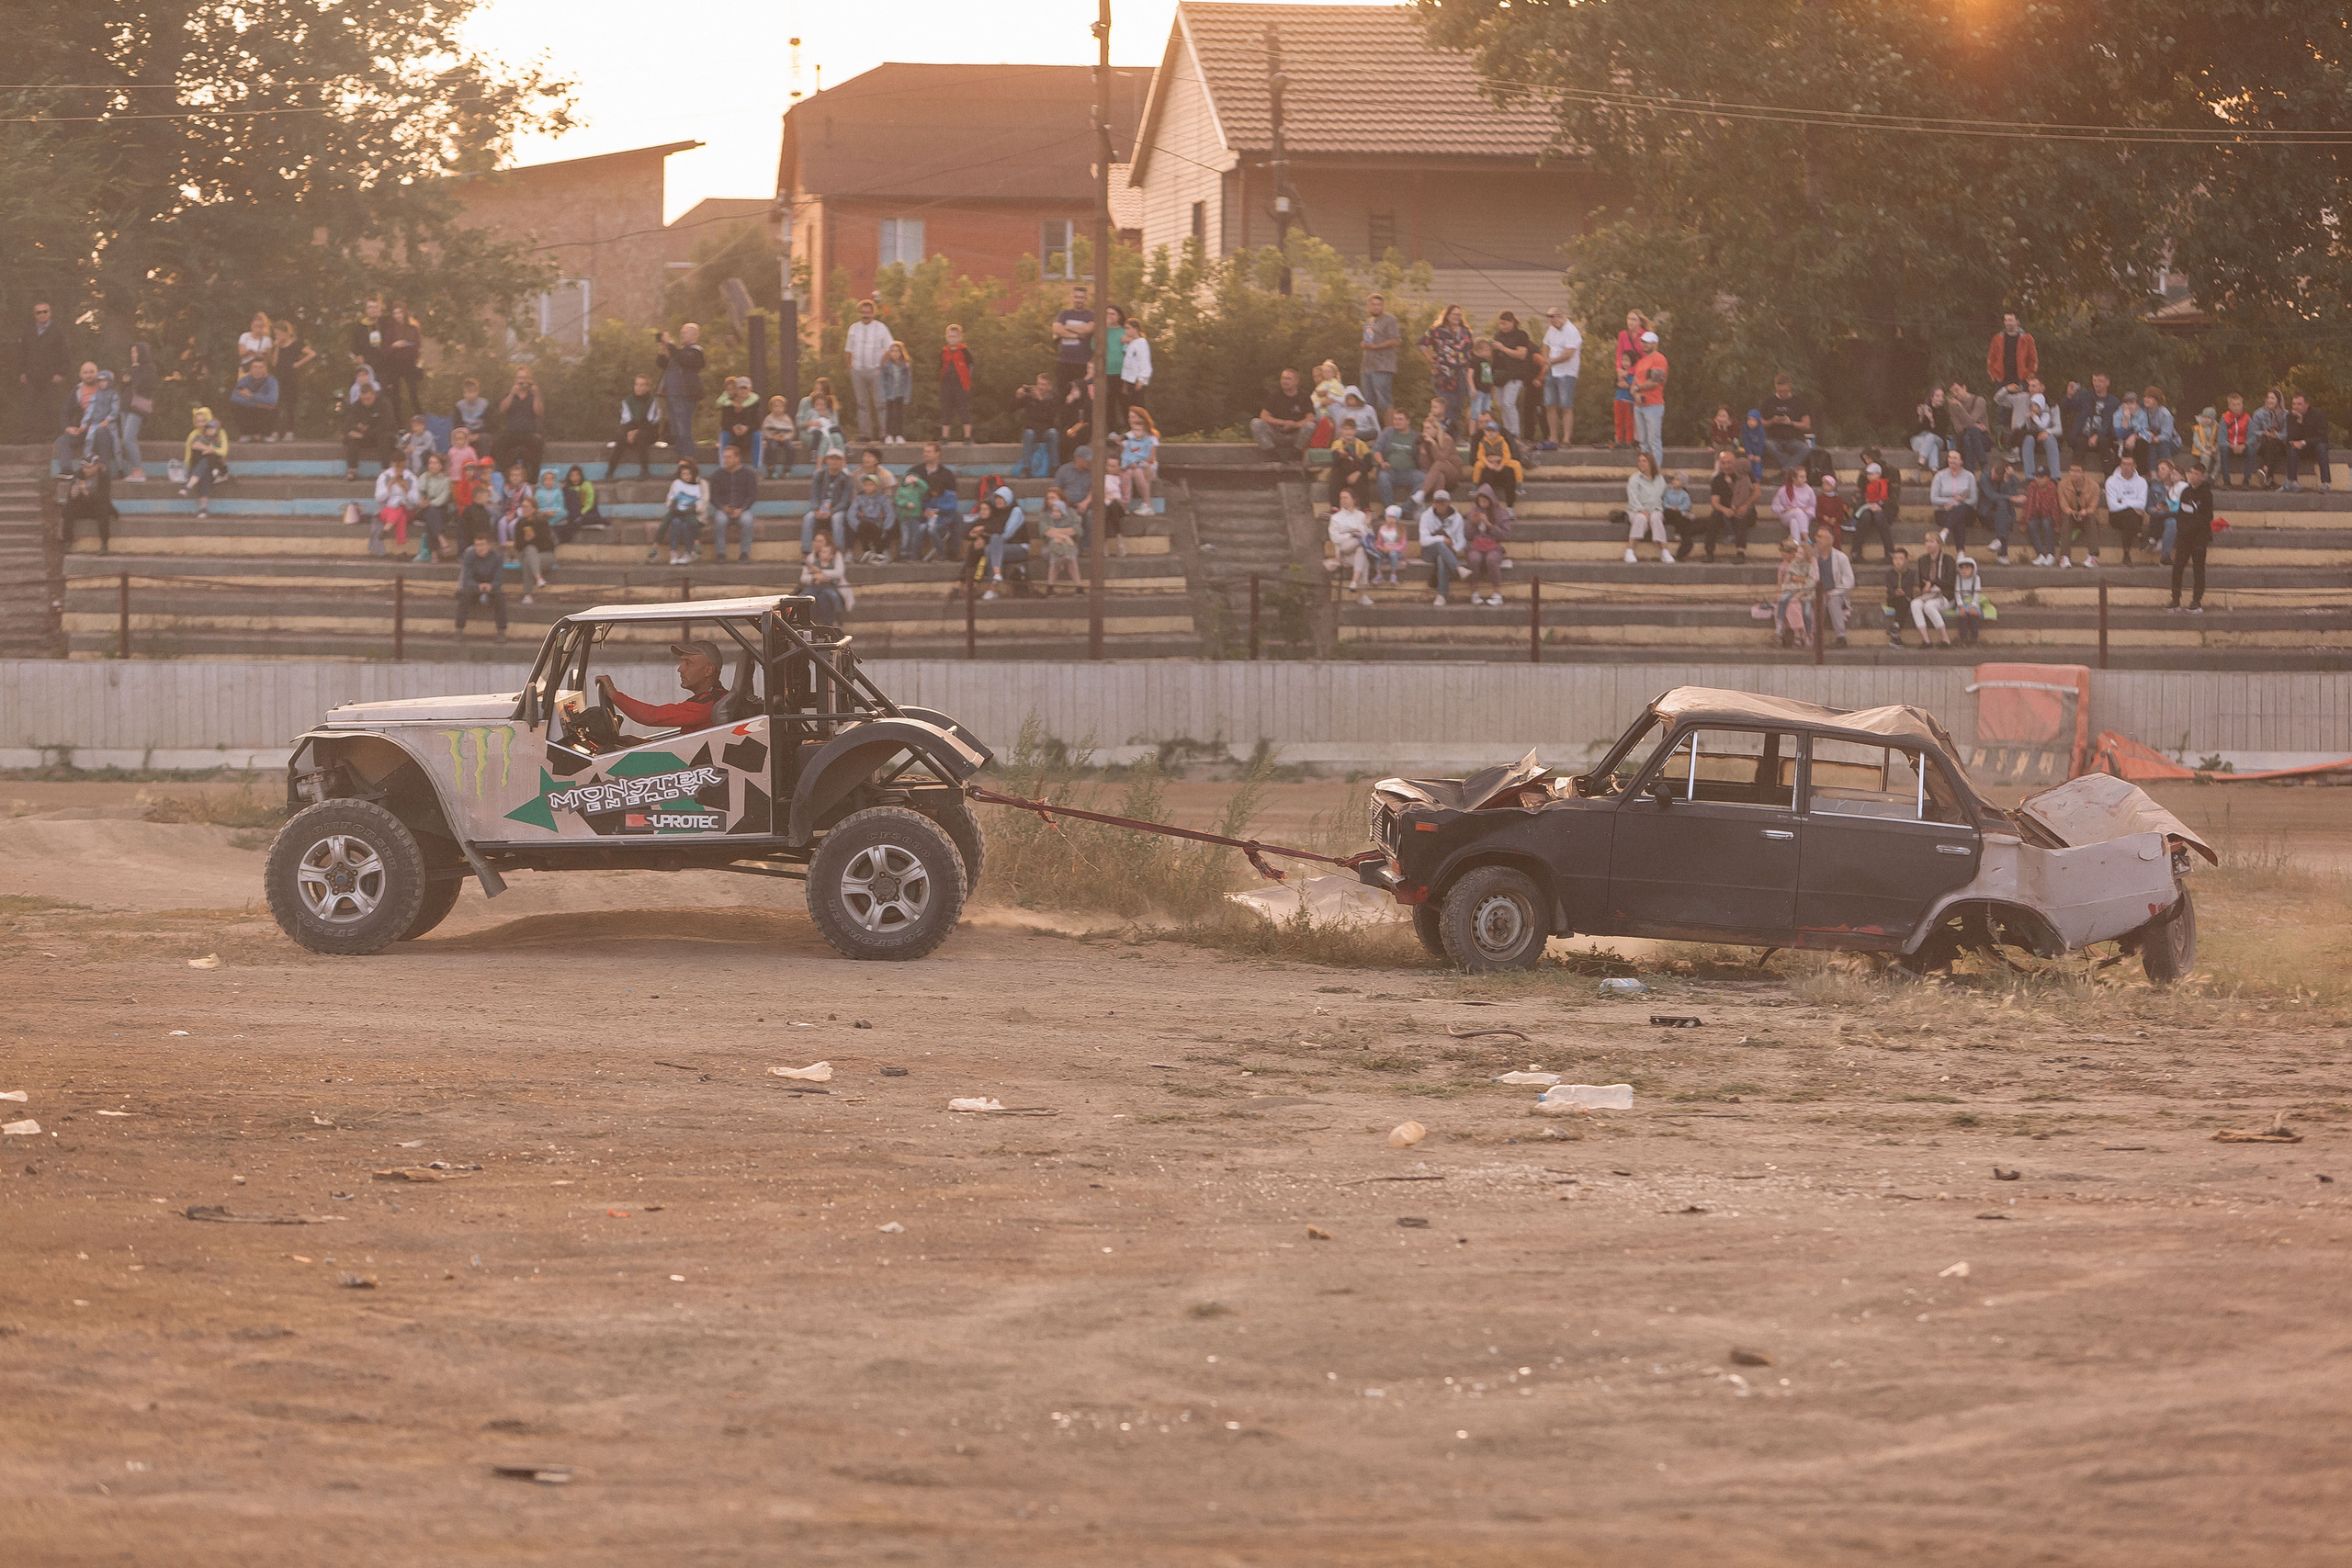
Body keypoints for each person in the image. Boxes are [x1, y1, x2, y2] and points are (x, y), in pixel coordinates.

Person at [595, 640, 727, 731]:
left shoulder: (707, 705)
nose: (680, 669)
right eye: (681, 662)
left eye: (688, 663)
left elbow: (651, 716)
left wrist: (613, 693)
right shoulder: (716, 698)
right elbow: (684, 746)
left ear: (708, 670)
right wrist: (640, 743)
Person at [18, 301, 72, 442]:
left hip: (51, 377)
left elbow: (65, 353)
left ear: (50, 313)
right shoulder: (29, 332)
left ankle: (52, 437)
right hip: (31, 376)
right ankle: (25, 437)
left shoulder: (58, 331)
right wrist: (22, 372)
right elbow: (23, 353)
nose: (42, 314)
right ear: (34, 315)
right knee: (27, 406)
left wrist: (61, 373)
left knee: (51, 407)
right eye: (38, 312)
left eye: (45, 311)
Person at [1418, 305, 1476, 434]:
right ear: (1448, 315)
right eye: (1454, 314)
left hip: (1462, 373)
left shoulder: (1465, 332)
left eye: (1459, 315)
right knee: (1447, 404)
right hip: (1443, 373)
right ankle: (1448, 435)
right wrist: (1430, 358)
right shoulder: (1437, 331)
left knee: (1458, 405)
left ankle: (1452, 434)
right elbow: (1421, 343)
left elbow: (1471, 351)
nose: (1457, 317)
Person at [54, 362, 119, 475]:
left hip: (103, 430)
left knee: (101, 432)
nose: (88, 375)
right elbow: (65, 412)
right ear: (80, 375)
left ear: (97, 373)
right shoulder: (77, 391)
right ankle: (67, 471)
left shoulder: (105, 387)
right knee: (62, 440)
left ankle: (104, 471)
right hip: (83, 431)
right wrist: (68, 427)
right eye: (85, 372)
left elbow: (116, 410)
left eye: (92, 372)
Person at [2169, 459, 2215, 613]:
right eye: (2192, 473)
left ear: (2202, 476)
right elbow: (2181, 514)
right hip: (2184, 538)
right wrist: (2182, 531)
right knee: (2178, 567)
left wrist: (2194, 530)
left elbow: (2206, 517)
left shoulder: (2206, 495)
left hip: (2199, 539)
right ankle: (2175, 599)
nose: (2193, 476)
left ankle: (2196, 600)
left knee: (2198, 569)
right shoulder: (2186, 492)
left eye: (2196, 474)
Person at [655, 325, 706, 459]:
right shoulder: (678, 352)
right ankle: (682, 463)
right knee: (675, 433)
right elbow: (663, 365)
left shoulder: (696, 351)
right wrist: (662, 351)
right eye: (681, 332)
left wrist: (670, 343)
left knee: (684, 433)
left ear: (694, 335)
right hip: (671, 396)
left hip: (684, 397)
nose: (681, 335)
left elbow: (684, 360)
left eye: (685, 332)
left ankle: (690, 462)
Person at [602, 373, 662, 479]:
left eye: (641, 385)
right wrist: (630, 432)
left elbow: (651, 421)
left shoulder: (653, 402)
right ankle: (610, 472)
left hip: (649, 432)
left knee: (641, 437)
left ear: (648, 388)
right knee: (621, 440)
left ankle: (645, 471)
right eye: (636, 384)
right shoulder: (627, 401)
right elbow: (626, 420)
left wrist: (636, 432)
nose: (638, 387)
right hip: (631, 431)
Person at [1539, 305, 1582, 451]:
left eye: (1554, 320)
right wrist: (1546, 360)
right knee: (1549, 404)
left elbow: (1569, 353)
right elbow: (1545, 345)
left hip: (1567, 372)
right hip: (1552, 371)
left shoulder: (1571, 331)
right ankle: (1553, 436)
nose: (1552, 323)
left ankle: (1566, 438)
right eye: (1550, 321)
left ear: (1561, 317)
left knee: (1566, 406)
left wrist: (1552, 361)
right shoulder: (1551, 330)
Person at [1488, 311, 1537, 439]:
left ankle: (1515, 433)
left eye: (1505, 323)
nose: (1502, 326)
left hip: (1515, 374)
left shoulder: (1521, 335)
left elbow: (1522, 355)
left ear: (1512, 322)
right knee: (1502, 405)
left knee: (1508, 403)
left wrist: (1503, 348)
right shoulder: (1498, 335)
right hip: (1500, 374)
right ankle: (1507, 431)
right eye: (1500, 324)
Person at [1463, 485, 1512, 607]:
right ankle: (1474, 592)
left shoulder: (1501, 513)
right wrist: (1473, 524)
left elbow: (1504, 535)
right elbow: (1467, 535)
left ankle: (1497, 594)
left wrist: (1490, 525)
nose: (1482, 503)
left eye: (1485, 501)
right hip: (1476, 545)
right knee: (1474, 559)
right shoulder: (1474, 512)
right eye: (1480, 501)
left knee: (1491, 559)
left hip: (1494, 546)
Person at [708, 444, 759, 565]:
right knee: (720, 520)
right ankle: (721, 554)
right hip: (724, 509)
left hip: (742, 509)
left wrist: (742, 509)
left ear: (737, 458)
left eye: (729, 457)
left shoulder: (748, 474)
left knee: (747, 521)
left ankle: (744, 553)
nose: (725, 460)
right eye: (724, 457)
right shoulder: (717, 475)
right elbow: (713, 496)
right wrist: (722, 507)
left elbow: (752, 495)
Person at [1705, 448, 1757, 564]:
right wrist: (1725, 510)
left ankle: (1740, 553)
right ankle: (1709, 552)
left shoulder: (1745, 474)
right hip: (1727, 513)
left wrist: (1745, 506)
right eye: (1723, 463)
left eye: (1729, 463)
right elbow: (1714, 502)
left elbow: (1757, 493)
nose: (1726, 466)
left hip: (1746, 510)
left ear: (1735, 463)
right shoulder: (1717, 480)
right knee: (1714, 516)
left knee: (1740, 515)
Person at [494, 366, 546, 479]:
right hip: (511, 432)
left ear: (529, 379)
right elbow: (502, 410)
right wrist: (512, 394)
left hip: (529, 433)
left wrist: (536, 394)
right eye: (519, 378)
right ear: (515, 379)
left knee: (539, 443)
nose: (522, 381)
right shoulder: (508, 394)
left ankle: (533, 479)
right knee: (498, 442)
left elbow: (539, 412)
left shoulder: (534, 395)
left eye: (524, 378)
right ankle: (503, 476)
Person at [454, 533, 508, 641]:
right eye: (477, 545)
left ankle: (501, 631)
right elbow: (467, 579)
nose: (480, 548)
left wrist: (491, 586)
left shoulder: (497, 557)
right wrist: (478, 586)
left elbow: (499, 579)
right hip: (474, 588)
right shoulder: (469, 556)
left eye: (482, 545)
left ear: (489, 546)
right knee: (464, 595)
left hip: (491, 588)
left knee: (500, 596)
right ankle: (459, 630)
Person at [1251, 368, 1313, 463]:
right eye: (1283, 378)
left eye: (1288, 379)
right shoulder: (1274, 395)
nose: (1285, 381)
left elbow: (1310, 417)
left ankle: (1296, 454)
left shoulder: (1304, 396)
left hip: (1296, 435)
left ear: (1296, 381)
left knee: (1310, 426)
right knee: (1256, 423)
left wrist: (1295, 425)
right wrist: (1281, 422)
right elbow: (1264, 416)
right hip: (1277, 433)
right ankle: (1271, 454)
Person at [1419, 490, 1468, 606]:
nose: (1440, 505)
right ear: (1434, 503)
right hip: (1429, 551)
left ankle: (1441, 596)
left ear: (1448, 503)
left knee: (1442, 558)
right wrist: (1442, 539)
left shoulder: (1457, 517)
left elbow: (1461, 539)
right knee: (1441, 545)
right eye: (1437, 502)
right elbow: (1423, 540)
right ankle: (1457, 568)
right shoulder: (1426, 516)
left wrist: (1455, 548)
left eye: (1443, 502)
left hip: (1449, 551)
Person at [978, 486, 1029, 598]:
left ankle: (993, 586)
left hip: (1020, 548)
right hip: (1002, 548)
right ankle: (995, 582)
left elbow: (1007, 534)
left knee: (995, 540)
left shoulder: (1016, 511)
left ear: (1008, 498)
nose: (998, 501)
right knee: (989, 548)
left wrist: (988, 532)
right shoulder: (997, 512)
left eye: (1001, 498)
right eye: (996, 498)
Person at [1049, 284, 1094, 406]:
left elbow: (1088, 329)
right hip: (1064, 361)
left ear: (1086, 299)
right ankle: (1064, 418)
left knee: (1081, 395)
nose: (1078, 300)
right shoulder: (1064, 314)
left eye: (1081, 297)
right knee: (1062, 395)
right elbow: (1056, 329)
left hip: (1082, 362)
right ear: (1072, 298)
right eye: (1076, 297)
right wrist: (1078, 335)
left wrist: (1067, 327)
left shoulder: (1090, 315)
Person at [268, 321, 312, 443]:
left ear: (286, 333)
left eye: (279, 334)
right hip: (278, 378)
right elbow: (274, 363)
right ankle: (275, 431)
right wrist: (277, 346)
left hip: (291, 378)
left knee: (290, 405)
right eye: (276, 334)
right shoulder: (277, 347)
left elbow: (311, 354)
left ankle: (290, 431)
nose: (277, 336)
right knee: (275, 404)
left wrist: (298, 363)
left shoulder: (296, 344)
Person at [1624, 451, 1672, 564]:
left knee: (1656, 518)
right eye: (1639, 461)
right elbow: (1632, 499)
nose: (1641, 463)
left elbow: (1663, 496)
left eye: (1644, 461)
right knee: (1641, 518)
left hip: (1655, 509)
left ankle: (1664, 551)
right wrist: (1643, 511)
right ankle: (1629, 550)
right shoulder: (1634, 479)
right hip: (1636, 510)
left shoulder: (1659, 478)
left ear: (1651, 463)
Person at [1759, 374, 1813, 476]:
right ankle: (1789, 470)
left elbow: (1807, 425)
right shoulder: (1768, 402)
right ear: (1775, 386)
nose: (1782, 393)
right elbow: (1760, 423)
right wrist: (1772, 421)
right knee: (1768, 445)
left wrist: (1791, 422)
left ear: (1789, 386)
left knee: (1805, 448)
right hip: (1773, 439)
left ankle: (1786, 471)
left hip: (1792, 440)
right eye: (1779, 391)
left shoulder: (1798, 402)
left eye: (1784, 391)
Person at [1912, 530, 1958, 646]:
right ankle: (1926, 640)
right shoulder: (1922, 560)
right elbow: (1922, 583)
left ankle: (1945, 638)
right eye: (1926, 541)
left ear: (1939, 543)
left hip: (1946, 595)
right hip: (1930, 594)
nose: (1928, 544)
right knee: (1915, 604)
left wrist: (1933, 582)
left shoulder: (1948, 560)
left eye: (1931, 541)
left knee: (1929, 606)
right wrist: (1925, 589)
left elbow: (1951, 583)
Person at [1328, 487, 1373, 604]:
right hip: (1344, 551)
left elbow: (1370, 537)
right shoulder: (1336, 518)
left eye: (1345, 498)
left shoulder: (1361, 515)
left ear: (1353, 499)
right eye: (1341, 498)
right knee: (1360, 542)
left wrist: (1368, 525)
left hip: (1356, 554)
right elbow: (1335, 537)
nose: (1343, 500)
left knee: (1362, 554)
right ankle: (1362, 594)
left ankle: (1356, 584)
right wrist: (1352, 535)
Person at [1629, 329, 1668, 466]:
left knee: (1654, 441)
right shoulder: (1641, 361)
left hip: (1653, 405)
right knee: (1643, 442)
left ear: (1655, 344)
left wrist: (1637, 389)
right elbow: (1634, 382)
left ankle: (1655, 470)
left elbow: (1655, 382)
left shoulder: (1659, 359)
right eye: (1643, 342)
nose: (1644, 344)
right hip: (1639, 405)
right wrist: (1636, 393)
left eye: (1648, 342)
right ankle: (1645, 469)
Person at [1359, 294, 1401, 417]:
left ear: (1383, 306)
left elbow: (1395, 340)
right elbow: (1369, 340)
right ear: (1368, 306)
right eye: (1373, 304)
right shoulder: (1369, 321)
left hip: (1382, 366)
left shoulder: (1390, 319)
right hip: (1367, 366)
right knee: (1368, 402)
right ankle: (1373, 428)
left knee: (1384, 401)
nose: (1376, 307)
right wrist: (1364, 344)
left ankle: (1389, 428)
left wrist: (1376, 347)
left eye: (1379, 305)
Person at [2103, 452, 2148, 567]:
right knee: (2131, 514)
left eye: (2129, 464)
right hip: (2116, 516)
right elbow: (2112, 506)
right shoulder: (2111, 481)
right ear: (2120, 465)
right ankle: (2140, 535)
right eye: (2124, 464)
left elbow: (2142, 504)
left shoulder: (2141, 482)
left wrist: (2123, 501)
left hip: (2135, 517)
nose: (2126, 467)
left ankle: (2126, 554)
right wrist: (2132, 505)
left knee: (2130, 516)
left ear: (2134, 466)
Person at [181, 406, 228, 517]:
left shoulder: (219, 432)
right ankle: (203, 508)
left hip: (215, 466)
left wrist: (211, 449)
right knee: (204, 470)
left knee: (207, 461)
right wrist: (205, 448)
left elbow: (223, 451)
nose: (201, 424)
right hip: (197, 467)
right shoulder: (194, 434)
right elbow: (189, 455)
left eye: (204, 421)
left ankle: (189, 486)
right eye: (198, 421)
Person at [63, 456, 116, 554]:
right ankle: (68, 543)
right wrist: (73, 495)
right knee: (68, 508)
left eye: (88, 467)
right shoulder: (78, 474)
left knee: (104, 509)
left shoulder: (104, 475)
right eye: (84, 467)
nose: (85, 470)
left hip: (98, 506)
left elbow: (104, 497)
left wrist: (86, 493)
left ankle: (104, 544)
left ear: (96, 466)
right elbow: (69, 498)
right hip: (84, 506)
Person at [1611, 310, 1648, 449]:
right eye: (1629, 319)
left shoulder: (1645, 336)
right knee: (1620, 407)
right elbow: (1619, 353)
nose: (1630, 322)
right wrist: (1620, 371)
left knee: (1634, 409)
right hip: (1624, 372)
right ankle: (1620, 439)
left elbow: (1645, 358)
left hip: (1638, 374)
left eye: (1634, 319)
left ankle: (1634, 439)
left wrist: (1632, 373)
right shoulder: (1623, 335)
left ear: (1640, 322)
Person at [2057, 458, 2104, 567]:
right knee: (2066, 518)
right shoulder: (2062, 485)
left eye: (2077, 471)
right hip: (2071, 515)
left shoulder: (2093, 486)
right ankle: (2064, 557)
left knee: (2091, 519)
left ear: (2083, 473)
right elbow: (2063, 504)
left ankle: (2093, 557)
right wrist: (2072, 512)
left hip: (2087, 515)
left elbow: (2093, 506)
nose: (2074, 473)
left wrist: (2085, 511)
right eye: (2072, 470)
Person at [380, 301, 423, 421]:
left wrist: (407, 346)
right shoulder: (390, 329)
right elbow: (384, 350)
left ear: (404, 313)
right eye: (395, 313)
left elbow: (417, 347)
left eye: (400, 312)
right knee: (395, 395)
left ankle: (420, 420)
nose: (397, 315)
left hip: (409, 363)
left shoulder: (413, 327)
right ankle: (398, 423)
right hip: (394, 364)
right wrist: (394, 345)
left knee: (413, 393)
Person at [1815, 525, 1855, 647]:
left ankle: (1841, 637)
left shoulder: (1841, 557)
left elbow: (1849, 581)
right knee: (1818, 602)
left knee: (1833, 601)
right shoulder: (1812, 556)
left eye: (1821, 536)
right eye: (1817, 536)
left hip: (1836, 592)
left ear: (1830, 540)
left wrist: (1832, 592)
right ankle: (1815, 636)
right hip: (1816, 592)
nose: (1817, 539)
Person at [662, 458, 707, 565]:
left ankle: (688, 553)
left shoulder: (702, 483)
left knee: (687, 525)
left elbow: (704, 502)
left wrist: (689, 509)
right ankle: (673, 552)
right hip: (678, 513)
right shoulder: (677, 483)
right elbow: (669, 499)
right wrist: (676, 507)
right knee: (675, 522)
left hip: (695, 515)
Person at [341, 383, 391, 481]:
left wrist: (365, 434)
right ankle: (352, 471)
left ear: (374, 395)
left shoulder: (384, 404)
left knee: (385, 437)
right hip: (362, 437)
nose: (365, 402)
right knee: (351, 438)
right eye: (363, 399)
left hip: (378, 435)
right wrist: (356, 427)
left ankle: (385, 471)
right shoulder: (356, 406)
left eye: (368, 399)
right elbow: (348, 424)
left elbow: (386, 425)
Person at [1374, 407, 1421, 510]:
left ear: (1408, 421)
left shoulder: (1415, 436)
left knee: (1424, 478)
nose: (1396, 422)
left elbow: (1420, 456)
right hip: (1390, 471)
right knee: (1382, 477)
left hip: (1409, 473)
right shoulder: (1387, 433)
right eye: (1395, 419)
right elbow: (1377, 450)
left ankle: (1406, 509)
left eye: (1400, 419)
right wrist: (1382, 462)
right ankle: (1390, 509)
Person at [2072, 373, 2120, 472]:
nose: (2096, 383)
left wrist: (2097, 435)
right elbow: (2068, 407)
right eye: (2094, 380)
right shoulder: (2085, 396)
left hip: (2103, 435)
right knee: (2080, 442)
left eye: (2100, 381)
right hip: (2084, 434)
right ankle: (2076, 474)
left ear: (2107, 383)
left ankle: (2108, 476)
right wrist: (2069, 396)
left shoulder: (2113, 402)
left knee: (2104, 442)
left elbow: (2108, 423)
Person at [1015, 372, 1061, 478]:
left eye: (1043, 385)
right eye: (1039, 384)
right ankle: (1026, 469)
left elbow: (1050, 416)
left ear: (1050, 386)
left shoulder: (1054, 399)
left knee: (1053, 433)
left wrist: (1041, 400)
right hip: (1032, 430)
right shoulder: (1030, 397)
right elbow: (1011, 408)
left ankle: (1054, 468)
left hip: (1046, 431)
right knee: (1028, 433)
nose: (1040, 387)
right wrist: (1018, 396)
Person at [1470, 417, 1522, 508]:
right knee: (1484, 471)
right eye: (1481, 422)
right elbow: (1474, 458)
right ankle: (1483, 504)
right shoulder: (1478, 438)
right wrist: (1488, 462)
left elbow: (1514, 455)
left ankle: (1511, 506)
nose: (1483, 424)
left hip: (1503, 467)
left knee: (1510, 472)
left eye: (1486, 421)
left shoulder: (1504, 435)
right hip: (1487, 468)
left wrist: (1499, 460)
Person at [372, 451, 418, 555]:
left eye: (402, 466)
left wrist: (405, 488)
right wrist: (390, 485)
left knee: (400, 508)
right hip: (386, 511)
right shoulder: (384, 476)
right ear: (393, 464)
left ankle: (387, 528)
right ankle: (402, 551)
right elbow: (379, 498)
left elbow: (415, 501)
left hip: (407, 510)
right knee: (399, 512)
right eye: (397, 466)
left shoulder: (411, 477)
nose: (400, 469)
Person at [1773, 538, 1816, 648]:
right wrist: (1782, 591)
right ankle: (1781, 628)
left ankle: (1805, 635)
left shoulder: (1810, 564)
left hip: (1806, 593)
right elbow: (1785, 581)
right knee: (1783, 601)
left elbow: (1811, 581)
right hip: (1791, 590)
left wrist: (1798, 580)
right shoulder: (1789, 565)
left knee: (1802, 610)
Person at [801, 532, 853, 621]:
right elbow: (803, 578)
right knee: (809, 598)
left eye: (820, 541)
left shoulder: (836, 555)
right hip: (815, 586)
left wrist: (821, 572)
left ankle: (832, 621)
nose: (817, 544)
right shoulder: (811, 557)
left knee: (825, 597)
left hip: (834, 587)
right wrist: (815, 577)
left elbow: (839, 573)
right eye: (816, 541)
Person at [1930, 449, 1978, 547]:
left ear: (1961, 461)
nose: (1951, 460)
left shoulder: (1969, 476)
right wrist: (1952, 501)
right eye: (1950, 457)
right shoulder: (1940, 475)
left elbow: (1974, 500)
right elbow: (1934, 499)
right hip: (1944, 511)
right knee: (1958, 519)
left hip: (1965, 512)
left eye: (1955, 458)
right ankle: (1961, 552)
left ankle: (1945, 531)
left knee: (1960, 511)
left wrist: (1957, 503)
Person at [513, 497, 556, 603]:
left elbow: (548, 545)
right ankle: (539, 578)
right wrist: (526, 540)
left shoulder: (541, 522)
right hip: (525, 553)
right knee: (529, 549)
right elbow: (518, 546)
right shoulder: (520, 524)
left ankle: (527, 595)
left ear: (533, 509)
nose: (523, 509)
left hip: (544, 555)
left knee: (528, 561)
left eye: (526, 507)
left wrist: (534, 538)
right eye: (522, 507)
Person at [413, 451, 454, 561]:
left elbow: (443, 498)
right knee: (430, 512)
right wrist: (421, 502)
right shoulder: (423, 477)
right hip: (424, 508)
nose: (432, 465)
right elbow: (419, 493)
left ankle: (434, 553)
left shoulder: (446, 480)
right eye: (430, 463)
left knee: (431, 515)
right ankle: (441, 539)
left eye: (435, 463)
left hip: (441, 509)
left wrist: (429, 503)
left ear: (441, 466)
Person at [937, 322, 976, 441]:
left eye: (954, 336)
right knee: (946, 410)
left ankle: (967, 436)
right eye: (950, 336)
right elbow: (940, 367)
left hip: (961, 385)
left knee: (963, 409)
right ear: (946, 337)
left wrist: (968, 381)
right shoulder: (944, 352)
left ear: (960, 338)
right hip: (946, 384)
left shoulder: (964, 351)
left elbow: (971, 365)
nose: (952, 339)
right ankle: (945, 436)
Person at [2285, 393, 2331, 491]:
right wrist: (2298, 422)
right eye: (2294, 404)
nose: (2296, 407)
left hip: (2313, 446)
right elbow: (2290, 437)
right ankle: (2293, 482)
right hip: (2299, 448)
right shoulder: (2290, 416)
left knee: (2322, 447)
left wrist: (2304, 442)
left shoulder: (2318, 414)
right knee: (2292, 448)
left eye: (2299, 404)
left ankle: (2325, 483)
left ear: (2306, 405)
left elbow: (2322, 437)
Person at [1978, 458, 2021, 560]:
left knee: (2003, 509)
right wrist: (2010, 497)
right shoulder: (1984, 476)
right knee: (2003, 512)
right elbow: (1991, 495)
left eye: (1996, 477)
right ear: (1993, 468)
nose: (1993, 477)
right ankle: (2003, 554)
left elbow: (2012, 492)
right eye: (1993, 473)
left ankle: (1999, 541)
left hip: (2003, 513)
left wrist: (2007, 481)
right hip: (1987, 513)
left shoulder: (2010, 479)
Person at [713, 377, 761, 466]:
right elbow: (724, 423)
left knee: (757, 435)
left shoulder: (754, 404)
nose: (743, 391)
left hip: (748, 434)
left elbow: (757, 423)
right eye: (740, 388)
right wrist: (733, 427)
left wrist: (747, 428)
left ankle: (757, 467)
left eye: (745, 388)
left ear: (750, 389)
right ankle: (724, 466)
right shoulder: (728, 404)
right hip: (733, 434)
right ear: (736, 390)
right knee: (724, 435)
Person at [228, 358, 278, 441]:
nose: (258, 370)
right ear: (250, 369)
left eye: (261, 367)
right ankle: (247, 433)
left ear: (265, 369)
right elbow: (234, 397)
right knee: (235, 406)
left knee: (273, 408)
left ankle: (266, 434)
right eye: (255, 367)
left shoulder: (272, 381)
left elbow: (272, 400)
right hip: (252, 409)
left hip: (264, 412)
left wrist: (251, 395)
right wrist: (257, 404)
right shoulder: (244, 380)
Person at [847, 472, 893, 563]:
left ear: (876, 486)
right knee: (863, 526)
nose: (868, 487)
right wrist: (856, 525)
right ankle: (867, 551)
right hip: (864, 524)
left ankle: (880, 552)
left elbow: (889, 512)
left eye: (871, 485)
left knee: (879, 530)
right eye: (866, 485)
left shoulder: (882, 498)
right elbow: (851, 512)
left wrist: (887, 526)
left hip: (877, 523)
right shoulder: (859, 498)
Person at [1852, 462, 1894, 562]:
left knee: (1879, 517)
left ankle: (1890, 552)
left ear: (1878, 474)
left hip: (1881, 509)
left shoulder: (1883, 484)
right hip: (1868, 508)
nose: (1869, 476)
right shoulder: (1865, 484)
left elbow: (1886, 498)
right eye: (1868, 474)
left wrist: (1880, 507)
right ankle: (1856, 552)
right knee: (1865, 517)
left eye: (1872, 474)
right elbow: (1861, 498)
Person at [1121, 407, 1159, 514]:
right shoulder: (1127, 436)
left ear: (1142, 418)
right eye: (1130, 417)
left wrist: (1137, 463)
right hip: (1131, 465)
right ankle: (1124, 505)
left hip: (1147, 465)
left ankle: (1148, 505)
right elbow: (1125, 455)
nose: (1131, 419)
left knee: (1138, 472)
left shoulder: (1151, 436)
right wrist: (1129, 464)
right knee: (1128, 473)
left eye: (1134, 417)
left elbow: (1151, 458)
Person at [1041, 493, 1082, 593]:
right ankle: (1050, 587)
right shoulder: (1045, 516)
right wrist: (1065, 536)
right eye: (1053, 511)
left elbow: (1076, 530)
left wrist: (1056, 532)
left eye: (1058, 511)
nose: (1055, 513)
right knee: (1054, 553)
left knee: (1071, 555)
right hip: (1051, 546)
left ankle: (1079, 587)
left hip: (1069, 546)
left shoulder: (1071, 514)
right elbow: (1046, 532)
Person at [1947, 379, 1989, 471]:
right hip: (1962, 439)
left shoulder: (1979, 401)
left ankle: (1969, 472)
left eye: (1956, 390)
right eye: (1952, 392)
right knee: (1970, 434)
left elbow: (1970, 421)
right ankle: (1983, 463)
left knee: (1970, 435)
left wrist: (1960, 407)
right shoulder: (1953, 405)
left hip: (1982, 438)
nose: (1955, 394)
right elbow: (1958, 429)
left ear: (1964, 387)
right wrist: (1974, 425)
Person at [2019, 468, 2059, 566]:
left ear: (2048, 478)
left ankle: (2050, 554)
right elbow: (2028, 505)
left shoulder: (2052, 488)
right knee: (2031, 524)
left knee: (2046, 523)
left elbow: (2055, 508)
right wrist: (2024, 522)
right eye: (2037, 477)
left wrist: (2057, 524)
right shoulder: (2032, 487)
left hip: (2049, 516)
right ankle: (2040, 554)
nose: (2038, 479)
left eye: (2041, 477)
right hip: (2037, 515)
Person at [1987, 311, 2037, 389]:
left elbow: (2033, 360)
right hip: (2001, 380)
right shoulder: (1997, 338)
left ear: (2017, 321)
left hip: (2021, 380)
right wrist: (1995, 377)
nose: (2007, 323)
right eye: (2005, 320)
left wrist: (2028, 376)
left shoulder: (2027, 338)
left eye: (2010, 320)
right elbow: (1991, 359)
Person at [1770, 466, 1817, 546]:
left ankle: (1796, 545)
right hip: (1787, 515)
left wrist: (1806, 510)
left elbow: (1813, 506)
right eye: (1801, 477)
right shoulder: (1784, 489)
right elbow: (1774, 506)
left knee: (1794, 522)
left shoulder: (1809, 490)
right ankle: (1806, 537)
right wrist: (1785, 509)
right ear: (1794, 478)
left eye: (1805, 476)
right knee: (1797, 511)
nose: (1805, 479)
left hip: (1805, 516)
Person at [879, 340, 913, 443]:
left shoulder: (905, 366)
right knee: (889, 415)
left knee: (899, 415)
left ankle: (899, 435)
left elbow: (908, 382)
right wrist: (883, 397)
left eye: (897, 351)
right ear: (890, 353)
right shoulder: (886, 366)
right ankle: (888, 435)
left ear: (901, 353)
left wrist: (907, 397)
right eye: (893, 351)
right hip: (889, 394)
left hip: (900, 394)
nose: (895, 353)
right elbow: (882, 382)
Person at [757, 394, 797, 480]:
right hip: (772, 438)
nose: (778, 409)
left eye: (781, 406)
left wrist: (786, 437)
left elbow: (791, 431)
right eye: (776, 406)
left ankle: (787, 469)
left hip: (784, 438)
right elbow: (765, 431)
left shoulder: (787, 419)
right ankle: (771, 469)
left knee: (790, 448)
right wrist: (772, 436)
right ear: (771, 408)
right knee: (772, 447)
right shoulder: (769, 418)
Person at [1951, 556, 1987, 647]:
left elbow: (1977, 593)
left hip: (1972, 602)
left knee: (1974, 616)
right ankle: (1963, 639)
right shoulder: (1958, 578)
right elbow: (1957, 593)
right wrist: (1961, 606)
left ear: (1973, 569)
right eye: (1962, 568)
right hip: (1962, 603)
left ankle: (1974, 639)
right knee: (1963, 616)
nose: (1964, 570)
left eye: (1967, 568)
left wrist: (1973, 606)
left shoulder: (1976, 578)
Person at [1118, 312, 1152, 411]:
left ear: (1136, 329)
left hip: (1136, 380)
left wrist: (1141, 379)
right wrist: (1125, 382)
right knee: (1129, 407)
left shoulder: (1141, 343)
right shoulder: (1132, 342)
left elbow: (1144, 361)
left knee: (1138, 407)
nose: (1126, 331)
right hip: (1129, 379)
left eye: (1128, 328)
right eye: (1125, 328)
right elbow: (1128, 361)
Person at [1911, 387, 1948, 477]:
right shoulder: (1924, 409)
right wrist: (1920, 417)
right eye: (1937, 396)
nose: (1940, 398)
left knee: (1931, 437)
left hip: (1938, 439)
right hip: (1920, 439)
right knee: (1932, 445)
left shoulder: (1944, 414)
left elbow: (1940, 433)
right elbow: (1914, 431)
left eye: (1942, 396)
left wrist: (1931, 420)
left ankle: (1920, 464)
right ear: (1932, 397)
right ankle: (1934, 470)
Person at [1882, 547, 1915, 649]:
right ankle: (1896, 627)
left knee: (1903, 602)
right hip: (1893, 598)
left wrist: (1904, 592)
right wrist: (1895, 592)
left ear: (1906, 560)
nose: (1898, 561)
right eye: (1895, 558)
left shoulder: (1910, 574)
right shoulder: (1889, 574)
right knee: (1900, 602)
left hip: (1905, 598)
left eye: (1901, 558)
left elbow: (1910, 589)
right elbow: (1889, 588)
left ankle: (1896, 633)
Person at [2218, 393, 2250, 488]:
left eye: (2238, 404)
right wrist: (2231, 446)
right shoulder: (2224, 418)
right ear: (2229, 406)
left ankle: (2246, 480)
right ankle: (2226, 481)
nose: (2236, 407)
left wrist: (2244, 445)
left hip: (2243, 445)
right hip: (2230, 446)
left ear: (2242, 405)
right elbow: (2221, 438)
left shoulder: (2247, 418)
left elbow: (2252, 436)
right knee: (2223, 450)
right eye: (2234, 405)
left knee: (2252, 450)